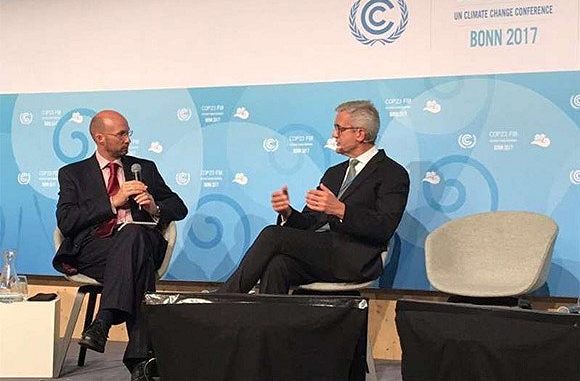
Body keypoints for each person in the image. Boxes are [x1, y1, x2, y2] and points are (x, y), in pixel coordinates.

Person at [219, 100, 409, 294]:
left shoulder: (392, 173)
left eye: (340, 129)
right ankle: (267, 315)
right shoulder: (334, 173)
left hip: (354, 257)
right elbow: (310, 222)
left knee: (273, 234)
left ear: (360, 134)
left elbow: (384, 227)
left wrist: (340, 210)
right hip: (320, 252)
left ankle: (226, 297)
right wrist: (288, 213)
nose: (334, 134)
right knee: (278, 264)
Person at [53, 110, 188, 379]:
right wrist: (112, 202)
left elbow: (178, 207)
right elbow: (66, 221)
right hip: (96, 248)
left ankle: (103, 320)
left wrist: (154, 207)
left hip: (142, 240)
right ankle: (140, 361)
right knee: (138, 267)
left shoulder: (144, 168)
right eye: (121, 134)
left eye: (128, 133)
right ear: (99, 138)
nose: (128, 139)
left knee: (133, 235)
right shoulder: (73, 173)